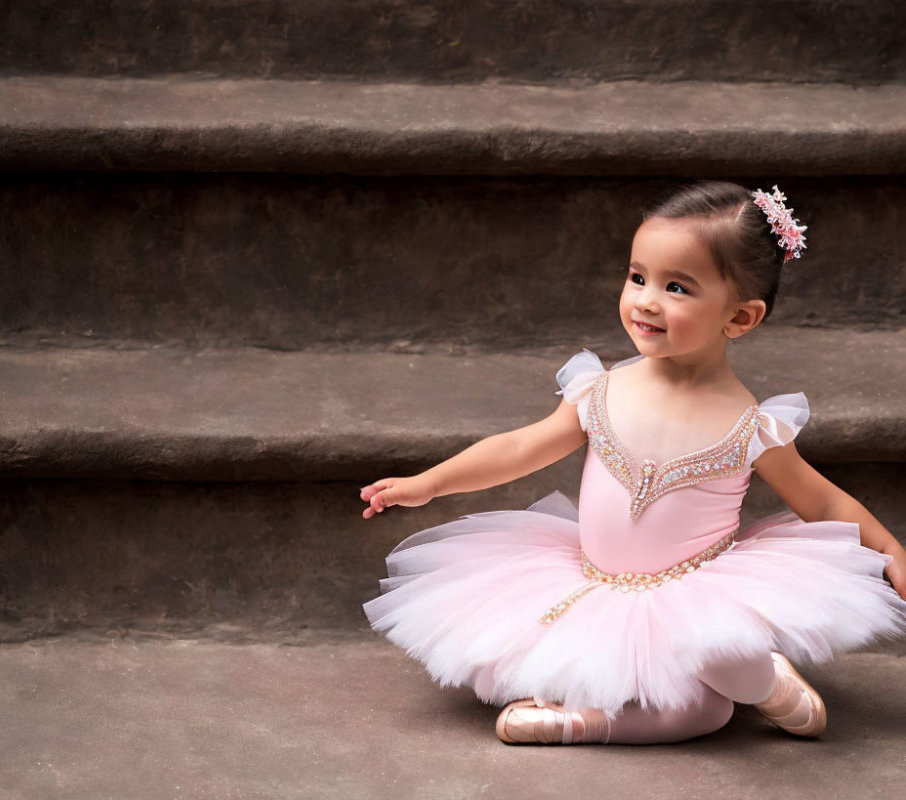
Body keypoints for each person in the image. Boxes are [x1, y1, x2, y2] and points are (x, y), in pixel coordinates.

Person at [359, 181, 906, 745]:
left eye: (676, 287)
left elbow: (820, 501)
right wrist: (429, 483)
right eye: (637, 276)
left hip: (697, 589)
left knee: (707, 694)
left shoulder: (752, 426)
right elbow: (520, 447)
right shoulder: (601, 390)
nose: (645, 300)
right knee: (630, 677)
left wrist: (891, 551)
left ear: (739, 318)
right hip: (597, 585)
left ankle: (755, 683)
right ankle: (609, 713)